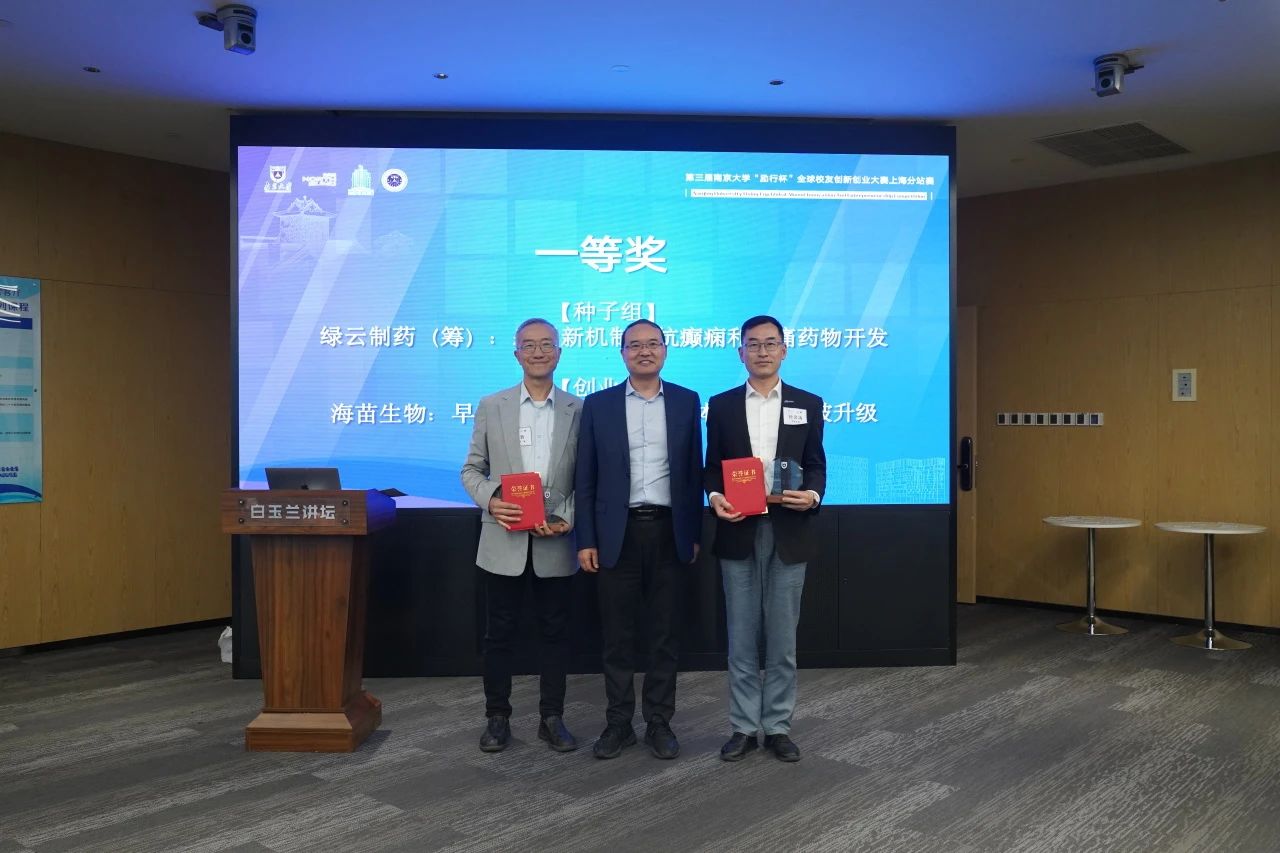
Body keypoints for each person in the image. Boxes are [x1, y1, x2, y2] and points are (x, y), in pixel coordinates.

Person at [575, 319, 703, 760]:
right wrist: (586, 538)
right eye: (635, 345)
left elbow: (692, 472)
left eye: (652, 344)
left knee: (664, 635)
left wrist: (693, 534)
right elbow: (585, 477)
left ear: (665, 350)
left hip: (669, 531)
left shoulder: (686, 401)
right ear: (622, 353)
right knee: (617, 637)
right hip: (617, 533)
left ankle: (659, 722)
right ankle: (618, 723)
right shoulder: (599, 405)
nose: (644, 351)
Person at [704, 314, 826, 762]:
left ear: (784, 350)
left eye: (770, 343)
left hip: (789, 529)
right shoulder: (721, 405)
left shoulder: (807, 403)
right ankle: (742, 727)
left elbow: (816, 464)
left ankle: (776, 726)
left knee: (782, 639)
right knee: (741, 637)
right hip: (739, 527)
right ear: (740, 352)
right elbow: (711, 468)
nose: (762, 351)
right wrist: (716, 496)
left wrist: (812, 495)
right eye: (753, 344)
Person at [460, 318, 581, 754]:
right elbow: (471, 470)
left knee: (556, 635)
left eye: (546, 344)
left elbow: (587, 477)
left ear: (559, 353)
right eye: (529, 345)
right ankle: (497, 718)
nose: (538, 352)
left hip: (556, 540)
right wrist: (492, 500)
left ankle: (553, 717)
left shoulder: (579, 409)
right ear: (516, 354)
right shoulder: (492, 405)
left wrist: (567, 516)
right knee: (499, 636)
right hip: (503, 541)